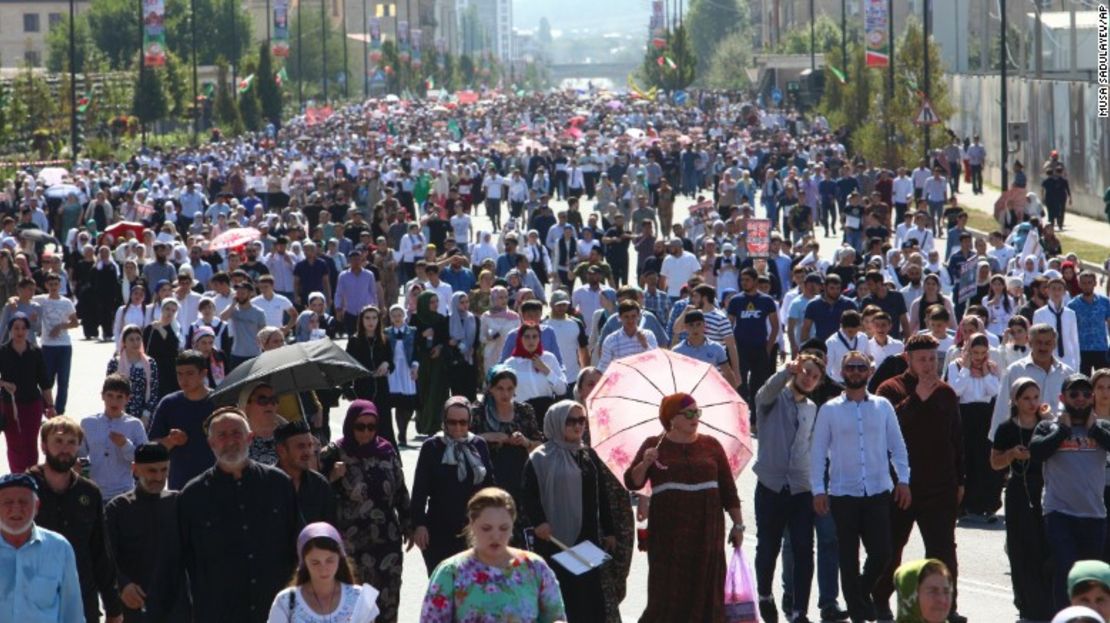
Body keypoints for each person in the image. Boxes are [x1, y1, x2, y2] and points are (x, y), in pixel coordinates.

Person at [624, 393, 745, 622]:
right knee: (668, 591)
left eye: (697, 412)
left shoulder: (711, 444)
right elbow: (633, 481)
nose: (695, 417)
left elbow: (728, 490)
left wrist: (738, 525)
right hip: (669, 534)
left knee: (706, 587)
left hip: (707, 531)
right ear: (672, 418)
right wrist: (645, 462)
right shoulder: (654, 445)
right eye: (688, 412)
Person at [810, 350, 911, 623]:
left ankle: (860, 597)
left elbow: (897, 446)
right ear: (842, 373)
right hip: (843, 493)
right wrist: (818, 489)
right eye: (851, 367)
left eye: (861, 367)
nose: (855, 371)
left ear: (869, 371)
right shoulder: (829, 409)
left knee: (882, 552)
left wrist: (904, 480)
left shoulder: (883, 406)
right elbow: (818, 452)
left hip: (878, 490)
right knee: (848, 558)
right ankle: (858, 614)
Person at [179, 407, 301, 623]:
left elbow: (297, 545)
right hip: (219, 613)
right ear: (211, 443)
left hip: (275, 611)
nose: (230, 441)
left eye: (236, 433)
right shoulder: (192, 496)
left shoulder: (279, 484)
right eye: (222, 435)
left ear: (250, 438)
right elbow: (180, 562)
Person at [874, 334, 965, 622]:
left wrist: (960, 479)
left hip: (940, 486)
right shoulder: (890, 389)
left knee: (943, 551)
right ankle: (879, 601)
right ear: (908, 359)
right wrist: (916, 399)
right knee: (891, 548)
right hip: (902, 486)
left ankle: (947, 607)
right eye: (921, 359)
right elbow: (885, 431)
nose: (928, 365)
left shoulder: (947, 392)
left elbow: (957, 440)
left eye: (932, 359)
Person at [522, 400, 620, 621]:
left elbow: (601, 494)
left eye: (581, 420)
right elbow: (528, 495)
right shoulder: (540, 457)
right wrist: (539, 522)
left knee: (589, 596)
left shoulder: (587, 455)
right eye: (571, 421)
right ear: (556, 422)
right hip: (554, 539)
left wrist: (609, 530)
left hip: (587, 537)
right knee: (562, 595)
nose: (578, 426)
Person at [320, 400, 411, 623]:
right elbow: (315, 496)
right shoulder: (332, 454)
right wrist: (331, 477)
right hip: (350, 545)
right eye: (360, 427)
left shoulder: (386, 451)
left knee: (387, 604)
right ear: (350, 425)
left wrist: (410, 523)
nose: (366, 432)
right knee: (353, 609)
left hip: (386, 541)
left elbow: (400, 489)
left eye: (371, 426)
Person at [420, 487, 567, 622]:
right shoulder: (451, 572)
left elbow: (556, 617)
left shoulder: (534, 567)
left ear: (512, 525)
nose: (496, 536)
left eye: (503, 528)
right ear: (472, 525)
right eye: (486, 528)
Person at [28, 416, 124, 623]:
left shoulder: (89, 493)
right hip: (33, 601)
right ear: (44, 446)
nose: (65, 448)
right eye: (58, 441)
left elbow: (100, 551)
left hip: (81, 599)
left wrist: (113, 607)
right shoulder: (23, 491)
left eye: (72, 442)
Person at [752, 355, 824, 623]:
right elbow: (763, 393)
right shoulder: (774, 398)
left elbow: (812, 447)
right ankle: (764, 595)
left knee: (804, 549)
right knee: (768, 546)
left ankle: (799, 611)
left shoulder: (812, 408)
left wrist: (818, 487)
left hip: (801, 488)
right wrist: (785, 371)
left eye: (815, 376)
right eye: (806, 372)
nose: (809, 378)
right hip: (771, 485)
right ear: (796, 370)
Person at [1030, 373, 1110, 610]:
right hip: (1059, 513)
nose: (1081, 399)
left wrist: (1094, 430)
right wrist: (1062, 432)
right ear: (1062, 397)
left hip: (1094, 515)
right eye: (1074, 394)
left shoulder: (1101, 427)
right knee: (1066, 569)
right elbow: (1037, 452)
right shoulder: (1048, 426)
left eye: (1086, 394)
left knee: (1090, 578)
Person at [991, 377, 1055, 622]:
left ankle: (1046, 601)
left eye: (1035, 398)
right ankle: (1026, 603)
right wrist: (1011, 454)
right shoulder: (1007, 428)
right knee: (1021, 548)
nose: (1031, 403)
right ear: (1016, 400)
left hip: (1045, 489)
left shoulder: (1046, 426)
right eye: (1026, 398)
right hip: (1019, 491)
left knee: (1044, 545)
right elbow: (994, 462)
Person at [105, 443, 191, 623]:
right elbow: (105, 556)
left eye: (164, 470)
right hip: (134, 606)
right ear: (135, 470)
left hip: (176, 608)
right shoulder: (118, 508)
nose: (159, 477)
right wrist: (123, 585)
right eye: (151, 471)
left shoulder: (179, 503)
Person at [411, 396, 495, 574]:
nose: (458, 428)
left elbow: (489, 487)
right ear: (444, 421)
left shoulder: (478, 445)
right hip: (439, 530)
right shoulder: (432, 447)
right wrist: (419, 525)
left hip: (473, 529)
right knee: (443, 590)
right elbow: (420, 489)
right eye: (452, 422)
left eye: (463, 422)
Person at [469, 367, 544, 539]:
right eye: (500, 389)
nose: (505, 394)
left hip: (519, 480)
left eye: (510, 389)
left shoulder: (525, 411)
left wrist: (526, 442)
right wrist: (489, 436)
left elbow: (540, 445)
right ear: (490, 388)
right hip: (488, 479)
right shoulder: (478, 412)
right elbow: (464, 440)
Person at [0, 472, 84, 623]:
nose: (16, 508)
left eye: (24, 502)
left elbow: (72, 612)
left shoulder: (59, 548)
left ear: (37, 506)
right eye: (8, 502)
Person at [266, 522, 381, 623]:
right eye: (315, 562)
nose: (323, 569)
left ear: (340, 559)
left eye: (330, 561)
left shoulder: (360, 598)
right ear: (304, 563)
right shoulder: (286, 601)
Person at [946, 332, 1003, 520]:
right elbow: (956, 390)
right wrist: (966, 368)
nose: (979, 357)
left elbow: (995, 391)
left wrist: (986, 373)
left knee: (984, 461)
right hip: (964, 416)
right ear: (967, 350)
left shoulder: (992, 368)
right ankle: (964, 505)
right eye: (975, 352)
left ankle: (986, 504)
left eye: (982, 353)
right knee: (966, 459)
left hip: (986, 416)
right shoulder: (955, 366)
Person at [147, 350, 216, 490]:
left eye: (190, 373)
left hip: (217, 484)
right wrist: (171, 441)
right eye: (179, 374)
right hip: (180, 485)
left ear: (203, 373)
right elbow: (152, 448)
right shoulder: (168, 404)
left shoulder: (220, 402)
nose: (183, 379)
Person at [78, 374, 149, 500]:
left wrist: (125, 444)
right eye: (110, 395)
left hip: (124, 492)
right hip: (95, 491)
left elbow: (145, 459)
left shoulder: (135, 425)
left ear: (128, 399)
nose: (114, 401)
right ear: (102, 396)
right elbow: (79, 454)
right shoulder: (88, 423)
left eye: (119, 397)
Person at [0, 313, 55, 473]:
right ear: (10, 330)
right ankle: (17, 478)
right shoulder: (3, 352)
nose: (20, 331)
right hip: (10, 405)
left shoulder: (35, 352)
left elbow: (45, 382)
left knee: (30, 442)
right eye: (16, 328)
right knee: (14, 443)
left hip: (32, 404)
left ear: (27, 330)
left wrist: (50, 405)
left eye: (23, 328)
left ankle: (31, 476)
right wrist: (3, 383)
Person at [346, 305, 395, 444]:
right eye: (367, 318)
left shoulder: (384, 339)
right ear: (361, 320)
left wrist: (387, 364)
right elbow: (347, 366)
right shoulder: (354, 340)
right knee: (363, 425)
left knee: (384, 426)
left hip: (382, 389)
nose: (371, 321)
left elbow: (391, 363)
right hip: (363, 388)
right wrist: (348, 390)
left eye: (374, 318)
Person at [274, 420, 337, 526]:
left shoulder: (320, 485)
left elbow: (329, 529)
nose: (308, 452)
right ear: (282, 451)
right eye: (301, 446)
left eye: (310, 445)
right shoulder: (265, 484)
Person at [503, 322, 567, 424]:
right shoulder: (511, 363)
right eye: (527, 337)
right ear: (520, 338)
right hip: (522, 417)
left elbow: (561, 390)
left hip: (547, 414)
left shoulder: (549, 358)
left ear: (539, 338)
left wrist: (546, 370)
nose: (531, 341)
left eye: (535, 336)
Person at [412, 291, 451, 436]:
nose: (435, 305)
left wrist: (440, 347)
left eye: (436, 302)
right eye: (431, 302)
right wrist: (422, 335)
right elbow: (410, 340)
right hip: (422, 361)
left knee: (437, 391)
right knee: (423, 391)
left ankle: (436, 424)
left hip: (437, 362)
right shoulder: (416, 319)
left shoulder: (441, 319)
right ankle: (423, 424)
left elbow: (446, 339)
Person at [106, 325, 161, 425]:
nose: (135, 343)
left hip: (143, 415)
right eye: (131, 339)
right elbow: (108, 391)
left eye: (138, 339)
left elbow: (153, 392)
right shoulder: (114, 363)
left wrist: (146, 415)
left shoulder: (150, 363)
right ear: (124, 342)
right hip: (118, 413)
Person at [385, 304, 418, 446]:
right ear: (391, 318)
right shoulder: (386, 332)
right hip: (394, 370)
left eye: (400, 315)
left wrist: (416, 366)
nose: (397, 318)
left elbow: (417, 350)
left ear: (404, 316)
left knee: (409, 404)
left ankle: (403, 428)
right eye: (394, 315)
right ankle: (402, 433)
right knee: (398, 402)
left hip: (407, 368)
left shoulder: (413, 331)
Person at [597, 299, 658, 372]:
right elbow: (603, 368)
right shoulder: (610, 340)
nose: (630, 320)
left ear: (638, 316)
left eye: (633, 316)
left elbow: (656, 361)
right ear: (619, 318)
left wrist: (645, 345)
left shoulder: (649, 335)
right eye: (626, 317)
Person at [143, 299, 182, 394]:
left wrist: (160, 329)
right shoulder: (150, 328)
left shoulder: (176, 328)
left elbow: (174, 346)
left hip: (170, 368)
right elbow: (144, 347)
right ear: (162, 309)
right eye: (168, 309)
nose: (170, 313)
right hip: (154, 367)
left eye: (173, 310)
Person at [447, 291, 480, 401]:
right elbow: (446, 339)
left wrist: (472, 348)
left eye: (467, 302)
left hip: (470, 360)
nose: (465, 305)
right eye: (462, 302)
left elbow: (477, 339)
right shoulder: (448, 320)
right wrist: (453, 344)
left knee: (471, 393)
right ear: (455, 303)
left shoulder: (474, 319)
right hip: (455, 362)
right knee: (457, 394)